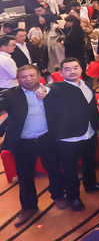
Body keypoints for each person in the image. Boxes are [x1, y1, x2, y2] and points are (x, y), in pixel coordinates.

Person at [0, 64, 66, 226]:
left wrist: (48, 90)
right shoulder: (10, 95)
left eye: (31, 75)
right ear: (18, 78)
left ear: (38, 75)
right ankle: (29, 207)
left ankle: (58, 195)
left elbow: (61, 87)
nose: (28, 79)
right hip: (23, 142)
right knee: (24, 177)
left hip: (47, 138)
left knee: (54, 169)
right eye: (23, 77)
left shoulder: (48, 90)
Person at [45, 58, 99, 211]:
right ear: (61, 73)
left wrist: (97, 126)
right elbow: (50, 88)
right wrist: (44, 90)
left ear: (81, 69)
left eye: (75, 68)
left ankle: (91, 184)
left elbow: (92, 108)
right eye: (67, 69)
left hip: (89, 133)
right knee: (70, 170)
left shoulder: (86, 84)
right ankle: (73, 197)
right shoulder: (59, 88)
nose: (72, 71)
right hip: (68, 137)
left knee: (90, 163)